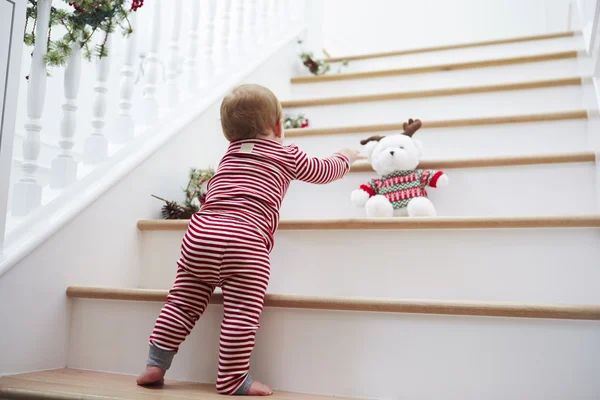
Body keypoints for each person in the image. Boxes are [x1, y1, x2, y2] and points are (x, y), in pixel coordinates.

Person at [137, 84, 364, 395]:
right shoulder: (286, 153)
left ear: (229, 135)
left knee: (181, 303)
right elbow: (323, 171)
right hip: (245, 241)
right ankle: (232, 380)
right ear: (278, 126)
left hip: (199, 235)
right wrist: (346, 155)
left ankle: (155, 363)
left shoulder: (228, 156)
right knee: (242, 311)